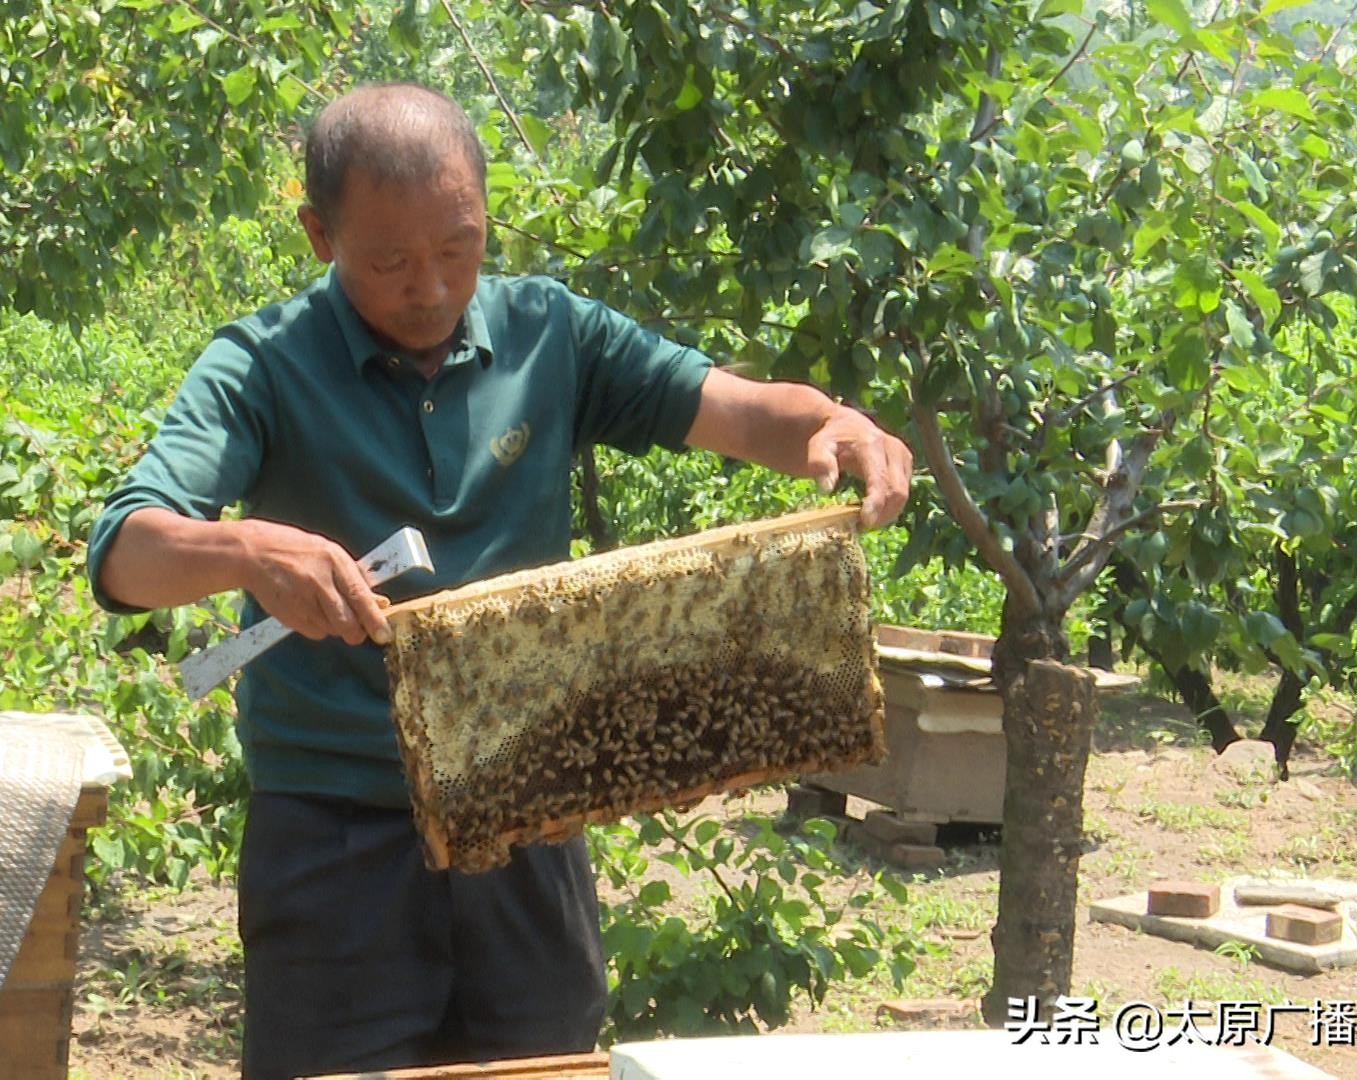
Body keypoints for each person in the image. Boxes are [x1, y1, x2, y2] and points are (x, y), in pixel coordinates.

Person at [87, 82, 914, 1080]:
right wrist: (251, 551)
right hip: (337, 847)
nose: (431, 286)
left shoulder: (549, 334)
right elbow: (127, 552)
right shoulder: (259, 367)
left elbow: (736, 411)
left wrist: (832, 423)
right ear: (319, 234)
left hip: (532, 823)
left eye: (458, 247)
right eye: (390, 261)